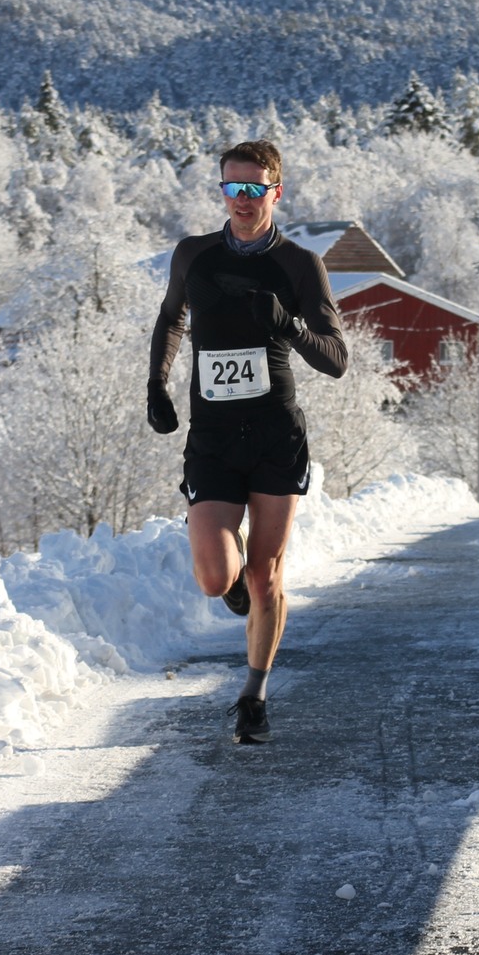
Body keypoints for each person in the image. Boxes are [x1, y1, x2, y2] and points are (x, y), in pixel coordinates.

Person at [146, 140, 348, 744]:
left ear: (275, 192)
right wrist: (156, 384)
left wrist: (288, 325)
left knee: (266, 576)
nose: (241, 199)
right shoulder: (194, 254)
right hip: (212, 435)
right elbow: (172, 318)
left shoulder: (299, 264)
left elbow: (337, 359)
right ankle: (233, 583)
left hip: (275, 434)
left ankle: (253, 696)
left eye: (254, 188)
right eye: (231, 187)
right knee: (216, 577)